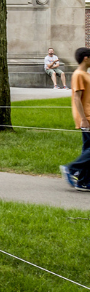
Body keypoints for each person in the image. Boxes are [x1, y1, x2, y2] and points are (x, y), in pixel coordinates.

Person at [61, 47, 90, 190]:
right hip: (87, 118)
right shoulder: (78, 74)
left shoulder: (86, 74)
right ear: (86, 58)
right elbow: (77, 98)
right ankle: (71, 169)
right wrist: (84, 119)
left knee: (88, 150)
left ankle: (84, 181)